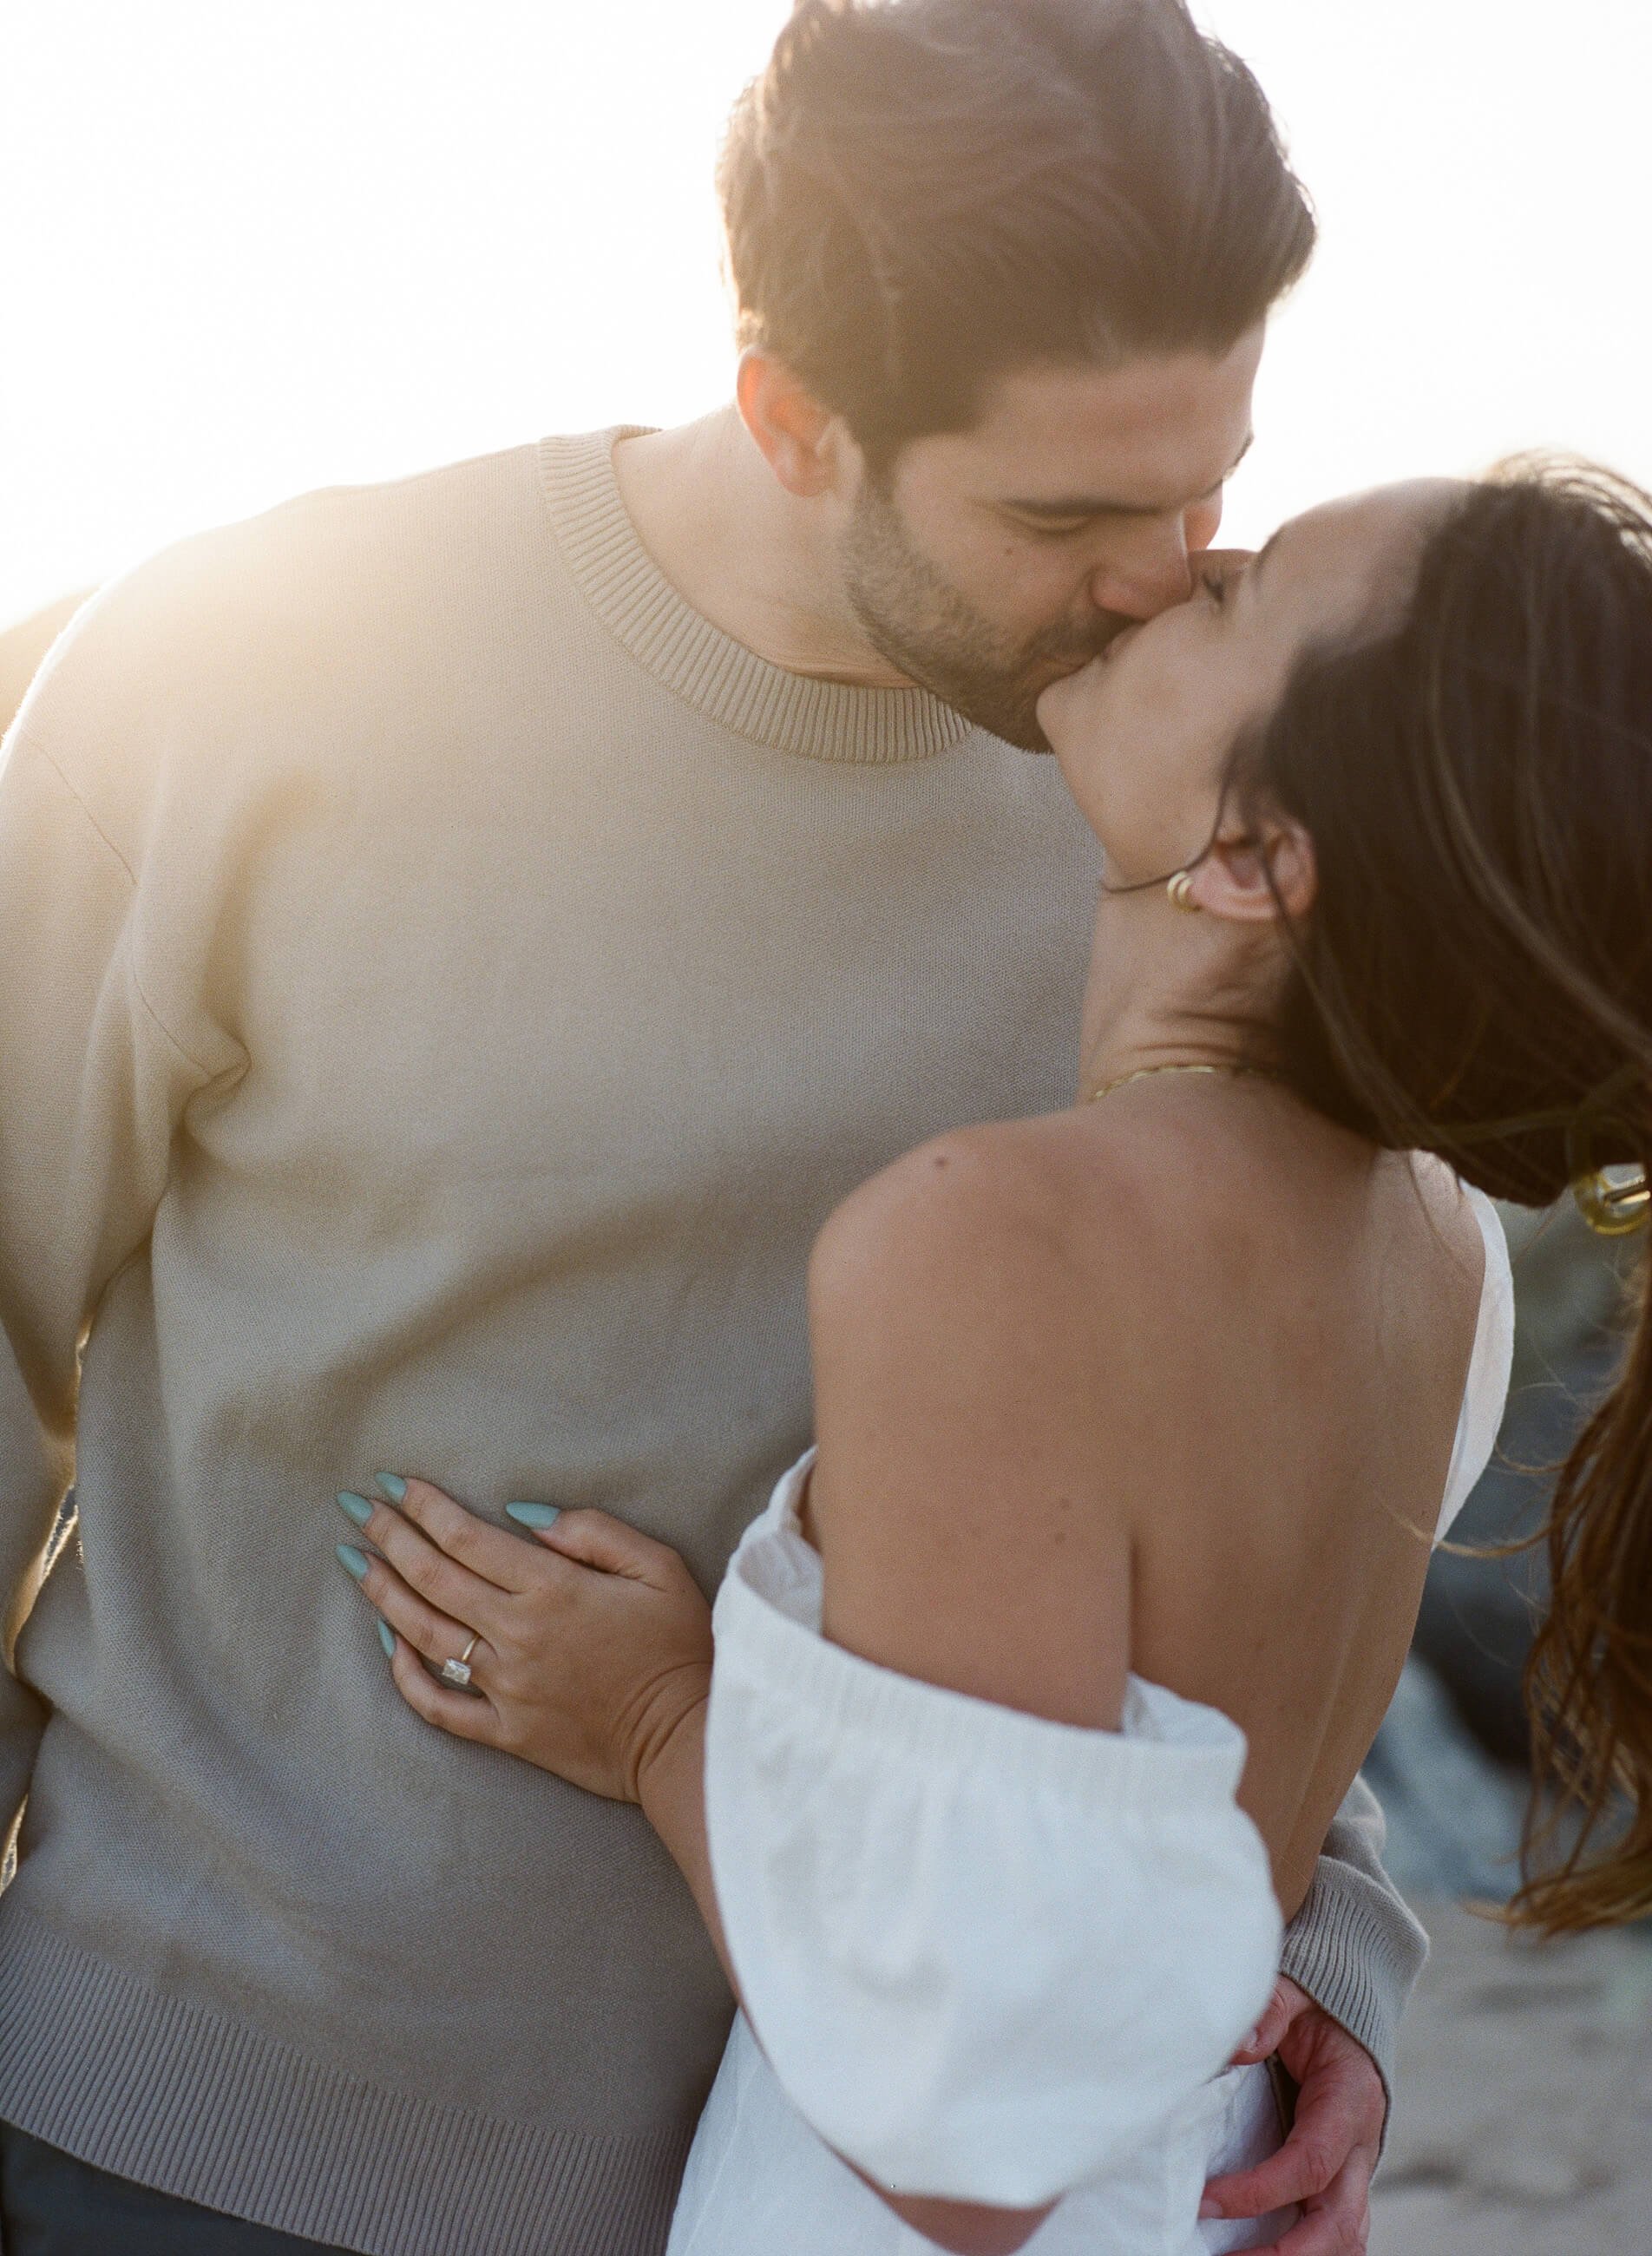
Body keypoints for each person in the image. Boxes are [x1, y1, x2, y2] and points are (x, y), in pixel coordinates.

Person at [0, 3, 1413, 2250]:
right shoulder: (247, 672)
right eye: (1068, 512)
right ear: (793, 415)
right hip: (191, 2143)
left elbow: (1272, 1407)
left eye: (1209, 485)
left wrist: (1317, 1954)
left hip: (868, 2186)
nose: (1166, 578)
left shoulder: (1205, 812)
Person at [337, 456, 1652, 2253]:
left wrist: (656, 1722)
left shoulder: (993, 1241)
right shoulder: (1434, 1251)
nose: (1184, 562)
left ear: (1259, 852)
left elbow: (960, 2131)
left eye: (1241, 598)